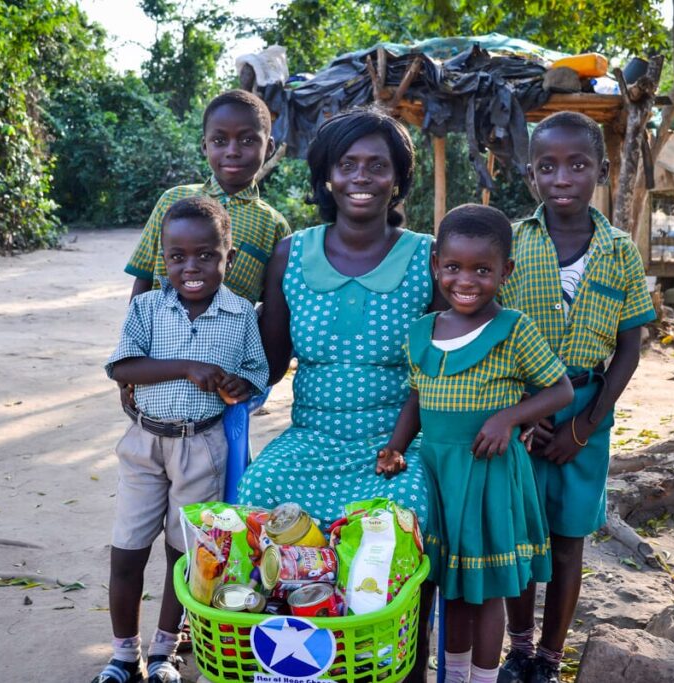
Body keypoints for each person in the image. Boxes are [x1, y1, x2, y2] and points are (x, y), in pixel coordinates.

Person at [237, 107, 440, 682]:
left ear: (398, 179)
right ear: (326, 175)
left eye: (378, 165)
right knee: (258, 493)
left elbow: (447, 361)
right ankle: (290, 661)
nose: (361, 176)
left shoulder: (427, 256)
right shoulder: (291, 255)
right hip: (312, 436)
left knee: (407, 515)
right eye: (346, 164)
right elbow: (271, 364)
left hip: (398, 441)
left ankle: (403, 664)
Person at [376, 204, 574, 683]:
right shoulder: (422, 331)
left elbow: (560, 390)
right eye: (453, 267)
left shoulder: (514, 329)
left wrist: (508, 417)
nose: (466, 280)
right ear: (435, 266)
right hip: (438, 475)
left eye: (482, 270)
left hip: (488, 476)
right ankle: (456, 676)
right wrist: (397, 446)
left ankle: (484, 678)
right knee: (453, 590)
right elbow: (418, 397)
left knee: (484, 591)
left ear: (506, 271)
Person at [497, 112, 656, 683]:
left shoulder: (619, 252)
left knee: (567, 541)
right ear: (530, 175)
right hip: (519, 414)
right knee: (519, 539)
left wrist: (583, 426)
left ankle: (549, 656)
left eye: (578, 164)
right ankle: (517, 648)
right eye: (547, 167)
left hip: (588, 410)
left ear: (603, 171)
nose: (562, 177)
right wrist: (524, 415)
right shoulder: (511, 243)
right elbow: (490, 332)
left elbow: (628, 351)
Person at [96, 197, 268, 683]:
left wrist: (240, 386)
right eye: (178, 257)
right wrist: (187, 368)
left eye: (206, 255)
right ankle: (122, 656)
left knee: (185, 554)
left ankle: (164, 654)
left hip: (203, 449)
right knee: (127, 551)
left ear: (227, 258)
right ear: (163, 259)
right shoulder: (148, 307)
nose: (191, 267)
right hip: (144, 445)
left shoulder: (239, 316)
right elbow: (122, 368)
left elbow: (255, 376)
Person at [124, 89, 289, 305]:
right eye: (219, 140)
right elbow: (144, 276)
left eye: (248, 140)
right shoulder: (172, 200)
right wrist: (133, 333)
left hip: (230, 338)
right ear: (205, 146)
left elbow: (273, 303)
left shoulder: (274, 226)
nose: (232, 151)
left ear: (269, 148)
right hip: (162, 336)